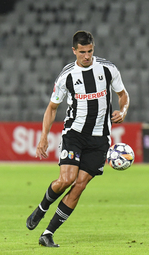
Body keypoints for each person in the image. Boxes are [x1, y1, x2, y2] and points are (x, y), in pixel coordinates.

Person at [26, 31, 130, 247]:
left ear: (93, 48)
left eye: (90, 51)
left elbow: (123, 95)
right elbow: (52, 108)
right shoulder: (67, 75)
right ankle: (41, 208)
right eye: (82, 52)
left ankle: (47, 233)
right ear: (74, 51)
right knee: (66, 179)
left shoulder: (108, 69)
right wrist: (43, 137)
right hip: (74, 134)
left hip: (100, 138)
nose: (87, 56)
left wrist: (124, 110)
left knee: (80, 185)